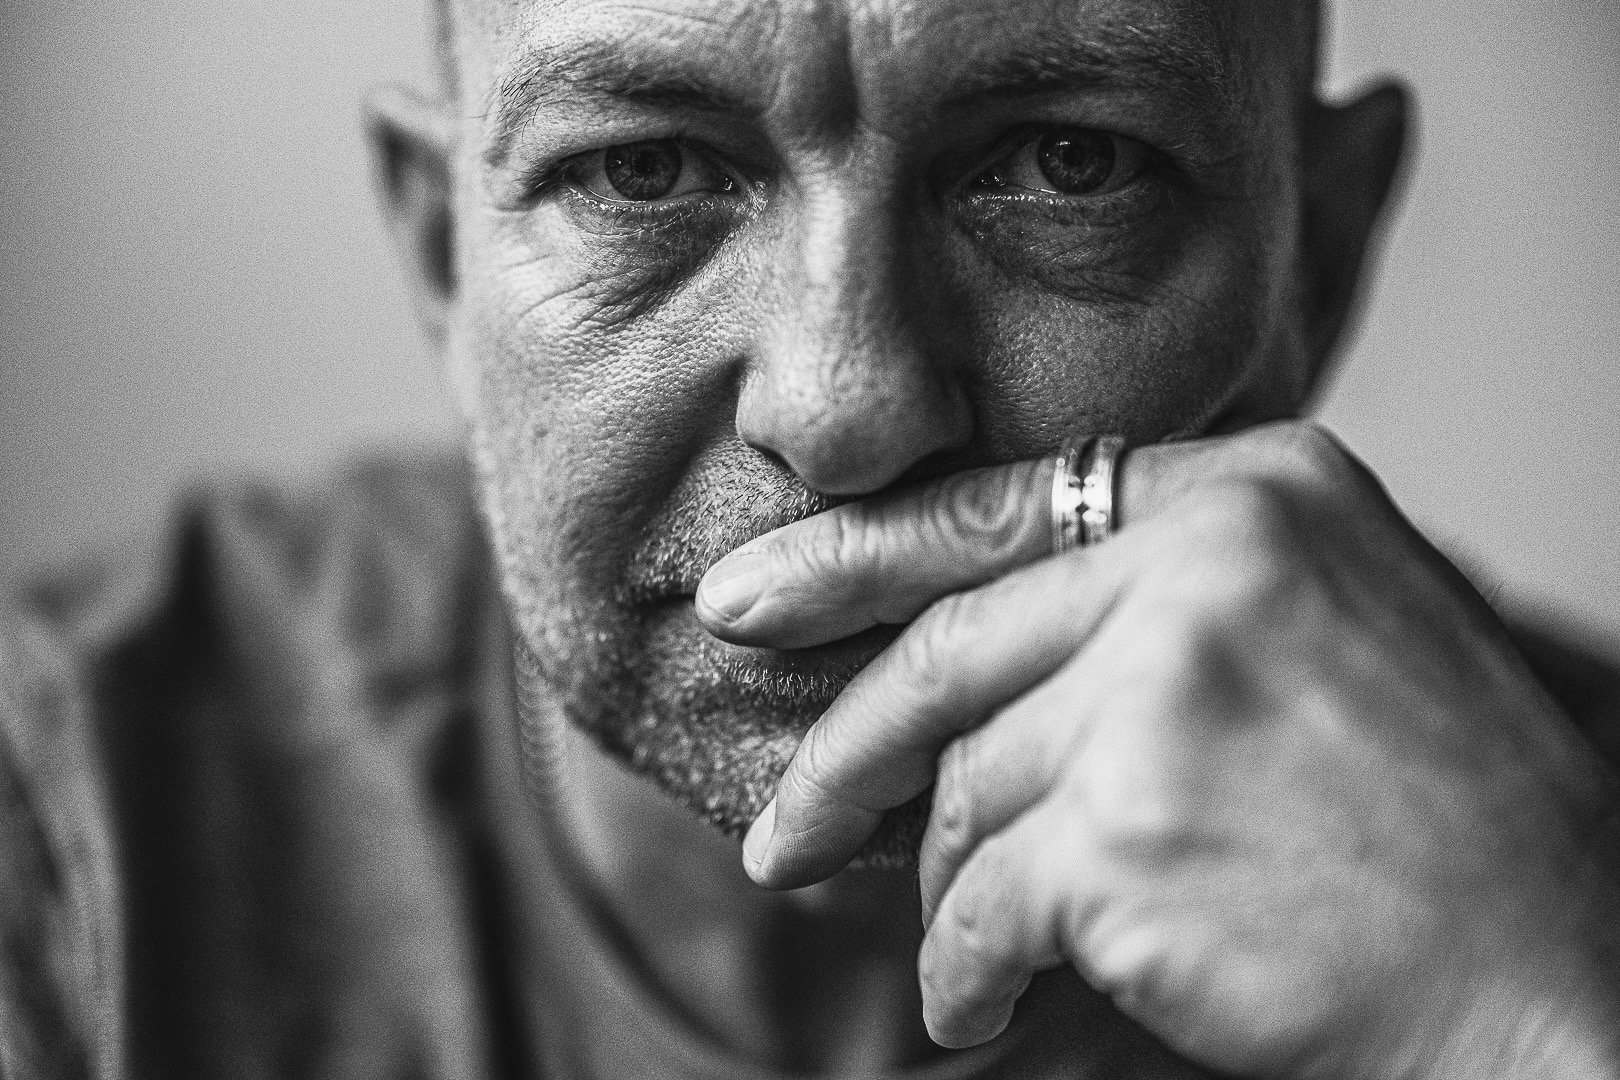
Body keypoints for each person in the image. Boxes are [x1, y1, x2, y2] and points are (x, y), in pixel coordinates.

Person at [3, 0, 1617, 1076]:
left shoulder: (1566, 872)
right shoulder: (70, 851)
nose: (848, 403)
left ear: (1314, 258)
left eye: (1071, 165)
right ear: (444, 256)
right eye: (643, 169)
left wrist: (1534, 1020)